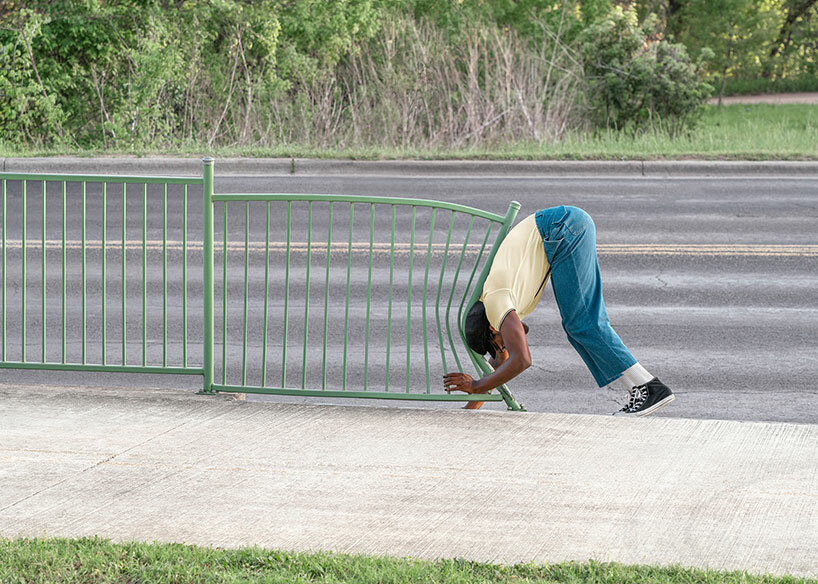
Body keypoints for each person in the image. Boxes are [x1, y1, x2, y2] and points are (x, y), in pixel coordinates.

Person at [443, 205, 675, 416]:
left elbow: (521, 359)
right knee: (577, 327)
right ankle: (642, 388)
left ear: (493, 329)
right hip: (561, 227)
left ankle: (648, 388)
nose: (505, 349)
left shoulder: (496, 302)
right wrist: (468, 411)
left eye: (500, 345)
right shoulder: (499, 307)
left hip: (559, 228)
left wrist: (475, 385)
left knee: (583, 323)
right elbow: (501, 364)